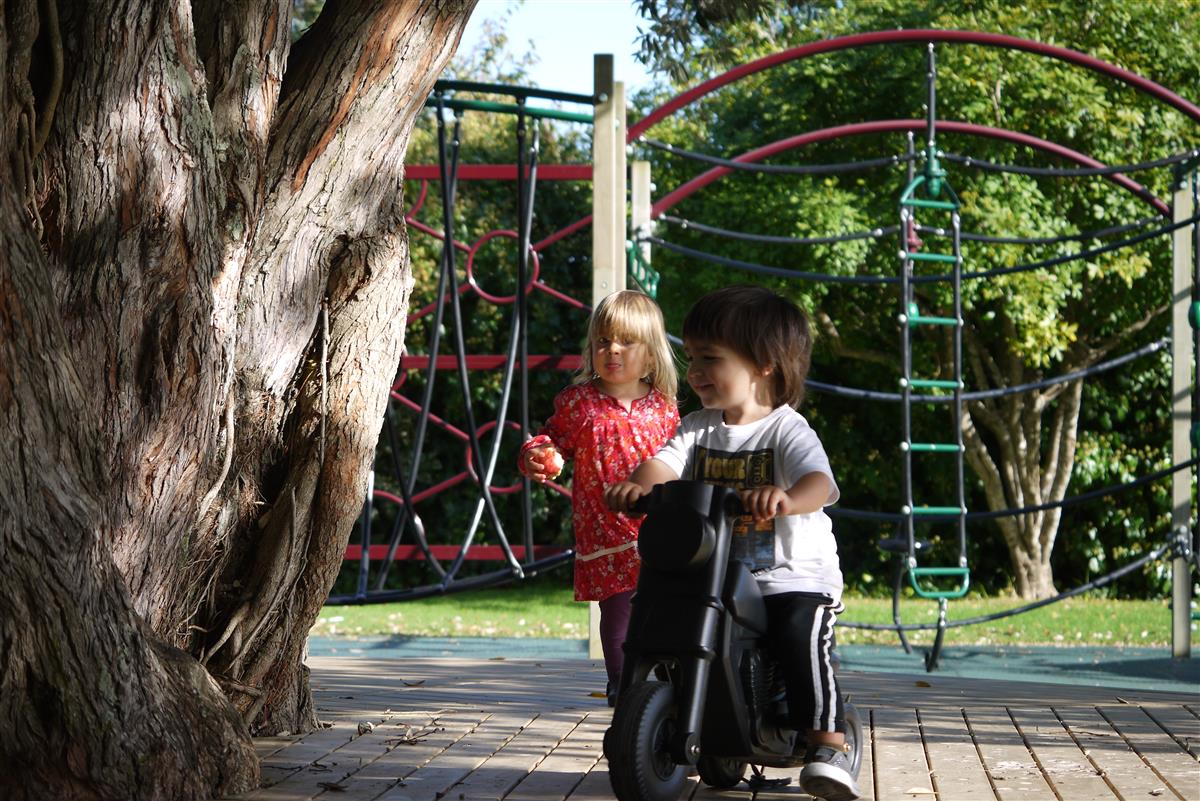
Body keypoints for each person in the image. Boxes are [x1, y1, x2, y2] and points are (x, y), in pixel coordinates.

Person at [604, 284, 859, 801]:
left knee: (798, 633)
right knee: (667, 622)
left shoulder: (786, 430)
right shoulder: (697, 429)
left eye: (711, 358)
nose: (695, 371)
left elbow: (819, 483)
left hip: (789, 576)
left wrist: (786, 498)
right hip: (716, 575)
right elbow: (663, 465)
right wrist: (637, 486)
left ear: (763, 364)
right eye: (693, 358)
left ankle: (829, 744)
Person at [519, 290, 680, 706]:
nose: (613, 350)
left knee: (668, 608)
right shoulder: (579, 403)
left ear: (651, 355)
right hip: (606, 532)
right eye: (603, 341)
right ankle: (623, 683)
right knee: (619, 611)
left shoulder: (664, 408)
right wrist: (540, 454)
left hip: (659, 530)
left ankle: (668, 681)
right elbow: (552, 440)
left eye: (627, 342)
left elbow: (683, 460)